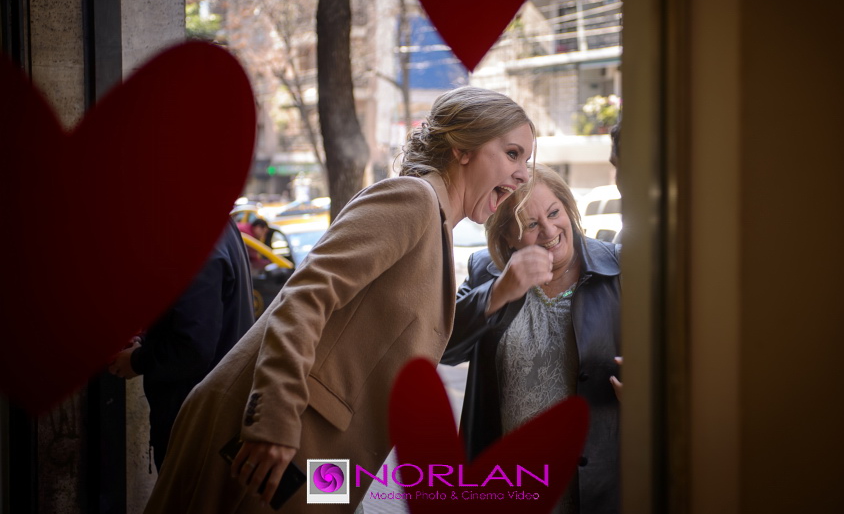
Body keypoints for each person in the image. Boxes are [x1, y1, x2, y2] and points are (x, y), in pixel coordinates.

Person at [141, 86, 535, 513]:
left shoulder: (438, 226)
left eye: (526, 160)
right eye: (513, 154)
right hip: (267, 439)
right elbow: (305, 296)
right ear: (462, 149)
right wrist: (272, 420)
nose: (524, 174)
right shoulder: (413, 199)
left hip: (317, 460)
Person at [443, 164, 622, 514]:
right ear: (507, 237)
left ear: (568, 208)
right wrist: (499, 291)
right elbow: (444, 347)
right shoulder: (485, 270)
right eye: (530, 224)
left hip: (592, 487)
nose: (549, 230)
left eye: (554, 213)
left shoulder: (617, 269)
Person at [109, 217, 256, 471]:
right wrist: (144, 342)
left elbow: (193, 347)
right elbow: (190, 321)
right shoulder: (217, 223)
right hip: (214, 416)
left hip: (197, 426)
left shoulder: (196, 239)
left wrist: (136, 361)